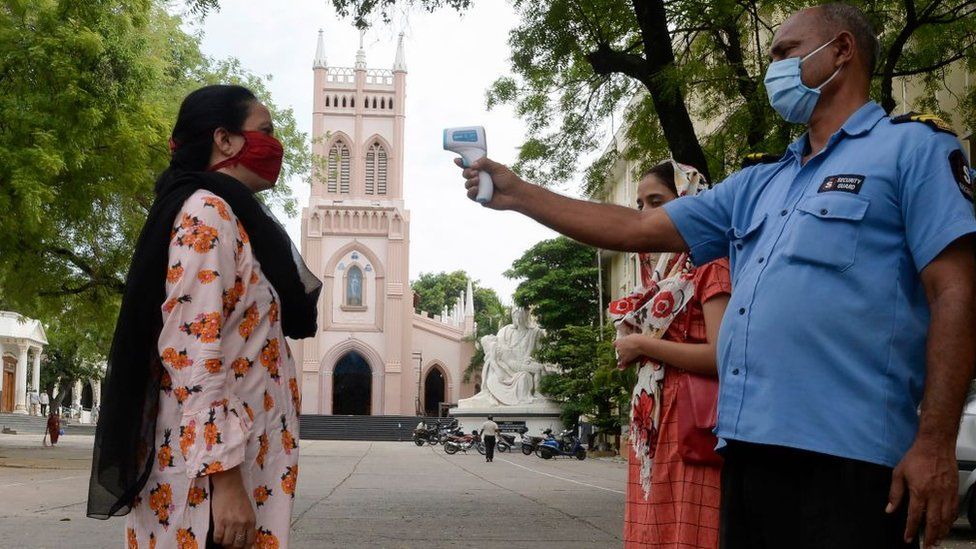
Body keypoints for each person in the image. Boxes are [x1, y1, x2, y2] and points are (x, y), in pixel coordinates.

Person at [454, 5, 976, 548]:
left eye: (785, 53)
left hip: (852, 457)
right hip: (748, 453)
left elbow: (956, 291)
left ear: (842, 51)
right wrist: (518, 193)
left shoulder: (913, 150)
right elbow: (636, 228)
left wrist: (936, 442)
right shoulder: (760, 183)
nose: (772, 68)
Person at [87, 85, 322, 549]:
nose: (276, 145)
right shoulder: (207, 214)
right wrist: (226, 478)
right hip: (209, 488)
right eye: (265, 131)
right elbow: (192, 352)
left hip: (233, 470)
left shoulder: (230, 217)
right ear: (226, 140)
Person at [610, 161, 729, 548]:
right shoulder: (664, 276)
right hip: (656, 420)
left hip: (693, 416)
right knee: (654, 526)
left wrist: (644, 345)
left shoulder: (712, 263)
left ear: (688, 202)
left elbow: (721, 356)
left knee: (689, 528)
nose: (645, 214)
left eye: (657, 201)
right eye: (640, 204)